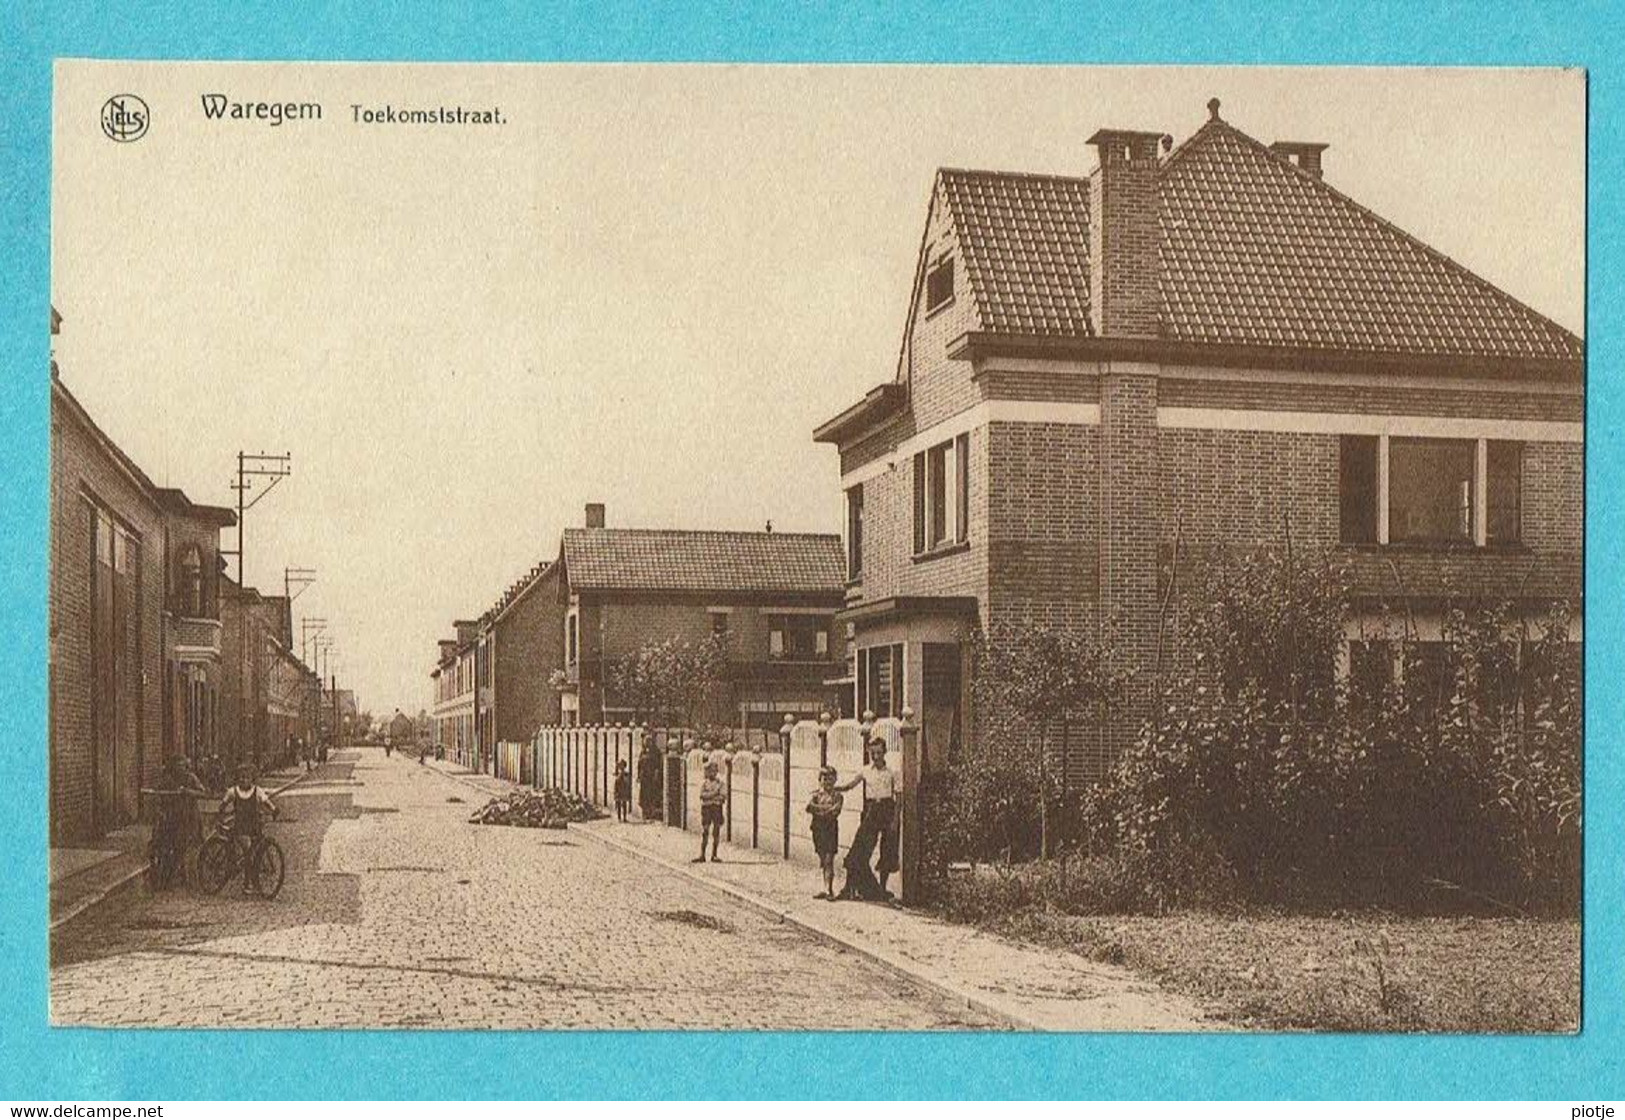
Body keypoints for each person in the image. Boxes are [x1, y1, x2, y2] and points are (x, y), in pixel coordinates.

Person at [835, 736, 901, 901]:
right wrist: (832, 788)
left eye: (879, 752)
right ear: (868, 752)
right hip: (871, 810)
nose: (876, 756)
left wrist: (895, 820)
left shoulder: (893, 772)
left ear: (884, 752)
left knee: (888, 849)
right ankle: (849, 888)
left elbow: (899, 798)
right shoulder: (865, 770)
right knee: (859, 848)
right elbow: (850, 785)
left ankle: (882, 890)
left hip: (887, 809)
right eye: (873, 753)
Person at [219, 763, 280, 896]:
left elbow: (266, 801)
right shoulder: (233, 792)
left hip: (254, 826)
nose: (244, 780)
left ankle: (254, 879)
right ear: (237, 779)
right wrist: (222, 814)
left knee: (255, 849)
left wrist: (274, 809)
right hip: (240, 827)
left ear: (252, 779)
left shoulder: (257, 791)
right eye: (241, 777)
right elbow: (223, 804)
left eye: (247, 777)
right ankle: (247, 884)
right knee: (247, 850)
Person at [806, 765, 844, 900]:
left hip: (830, 829)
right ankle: (825, 886)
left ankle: (829, 889)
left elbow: (836, 811)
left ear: (835, 780)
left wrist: (819, 810)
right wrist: (826, 809)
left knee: (829, 859)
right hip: (817, 829)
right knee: (822, 858)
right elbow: (808, 807)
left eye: (831, 779)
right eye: (825, 779)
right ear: (820, 780)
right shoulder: (815, 794)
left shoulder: (838, 795)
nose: (827, 782)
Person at [693, 759, 725, 863]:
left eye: (715, 771)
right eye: (710, 771)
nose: (713, 773)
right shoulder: (704, 783)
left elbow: (723, 797)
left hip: (716, 809)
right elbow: (702, 796)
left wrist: (711, 796)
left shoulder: (720, 783)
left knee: (716, 831)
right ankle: (702, 854)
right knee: (705, 831)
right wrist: (714, 794)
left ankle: (714, 855)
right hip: (706, 809)